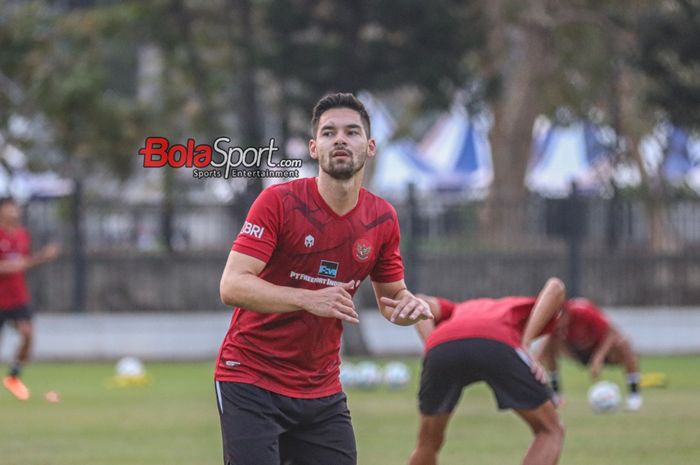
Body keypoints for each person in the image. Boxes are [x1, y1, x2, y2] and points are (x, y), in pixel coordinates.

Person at [215, 92, 433, 465]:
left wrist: (410, 307)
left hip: (321, 388)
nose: (341, 140)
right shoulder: (278, 203)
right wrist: (306, 297)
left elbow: (391, 298)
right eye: (329, 133)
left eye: (351, 132)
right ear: (314, 148)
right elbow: (232, 285)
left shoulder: (382, 219)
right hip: (250, 377)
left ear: (370, 146)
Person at [408, 277, 566, 465]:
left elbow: (419, 301)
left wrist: (431, 347)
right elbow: (556, 286)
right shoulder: (514, 306)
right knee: (550, 430)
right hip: (498, 340)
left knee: (427, 443)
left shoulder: (458, 310)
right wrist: (525, 345)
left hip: (442, 347)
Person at [0, 197, 60, 400]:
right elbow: (15, 265)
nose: (14, 213)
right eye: (9, 210)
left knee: (27, 333)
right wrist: (35, 259)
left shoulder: (22, 235)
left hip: (18, 297)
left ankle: (14, 377)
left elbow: (24, 262)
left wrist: (42, 257)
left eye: (15, 210)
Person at [538, 297, 642, 411]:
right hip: (576, 351)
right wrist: (534, 362)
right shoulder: (554, 322)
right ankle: (556, 395)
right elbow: (545, 345)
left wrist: (599, 357)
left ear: (565, 313)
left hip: (599, 348)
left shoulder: (584, 310)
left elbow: (612, 332)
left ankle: (634, 395)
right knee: (548, 346)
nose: (558, 326)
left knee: (624, 343)